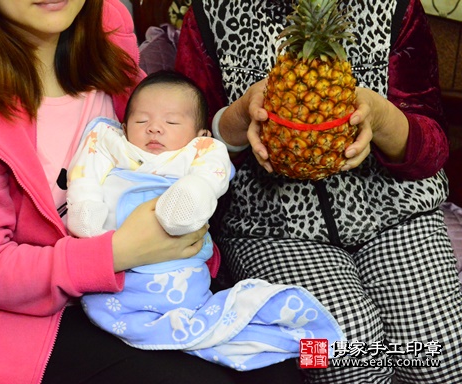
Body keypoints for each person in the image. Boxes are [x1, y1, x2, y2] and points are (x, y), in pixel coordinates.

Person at [0, 1, 301, 383]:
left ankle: (363, 354)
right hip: (31, 323)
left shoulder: (104, 31)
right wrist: (120, 250)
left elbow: (161, 154)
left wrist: (227, 132)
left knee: (292, 358)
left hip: (159, 284)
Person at [175, 0, 462, 383]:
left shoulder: (395, 6)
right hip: (268, 226)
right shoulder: (210, 13)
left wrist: (380, 116)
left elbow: (434, 149)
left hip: (397, 210)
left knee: (444, 359)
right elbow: (181, 149)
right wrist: (238, 117)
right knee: (341, 361)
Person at [66, 70, 344, 372]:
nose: (154, 129)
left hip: (180, 268)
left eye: (171, 122)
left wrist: (191, 194)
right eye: (141, 121)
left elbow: (212, 172)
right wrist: (86, 210)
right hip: (119, 274)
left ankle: (319, 347)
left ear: (199, 135)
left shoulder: (198, 151)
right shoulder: (112, 145)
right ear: (123, 127)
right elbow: (84, 174)